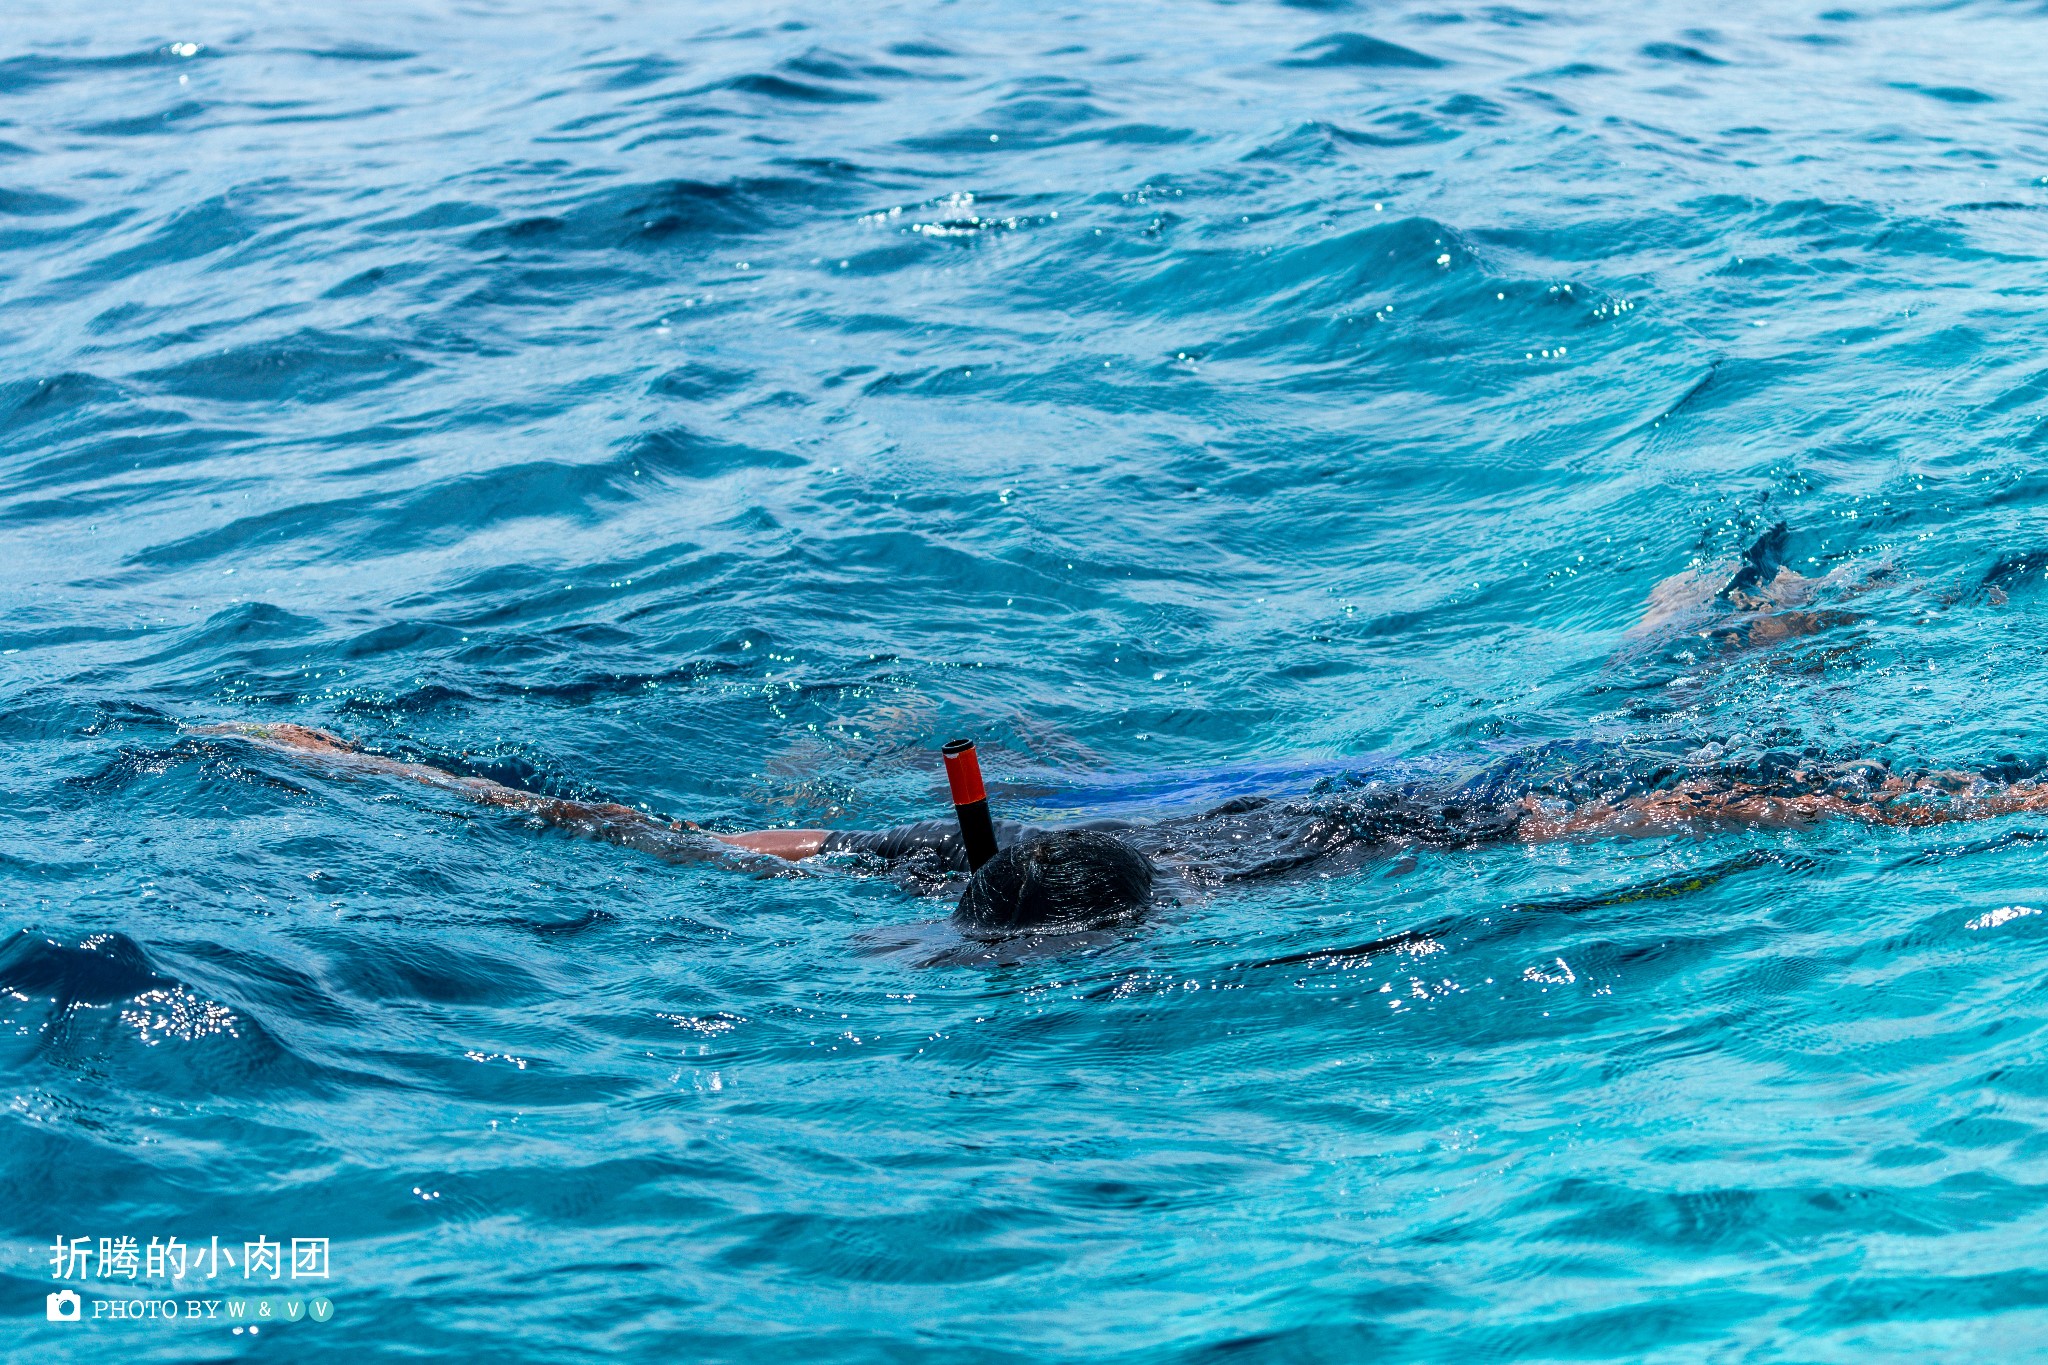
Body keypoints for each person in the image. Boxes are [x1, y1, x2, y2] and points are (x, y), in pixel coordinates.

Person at [187, 527, 2048, 937]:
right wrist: (348, 760)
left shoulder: (1341, 860)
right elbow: (621, 834)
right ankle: (1704, 626)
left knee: (1677, 741)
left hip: (1363, 788)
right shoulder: (943, 852)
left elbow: (625, 837)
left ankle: (1716, 626)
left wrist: (1990, 798)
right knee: (1663, 733)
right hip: (1229, 780)